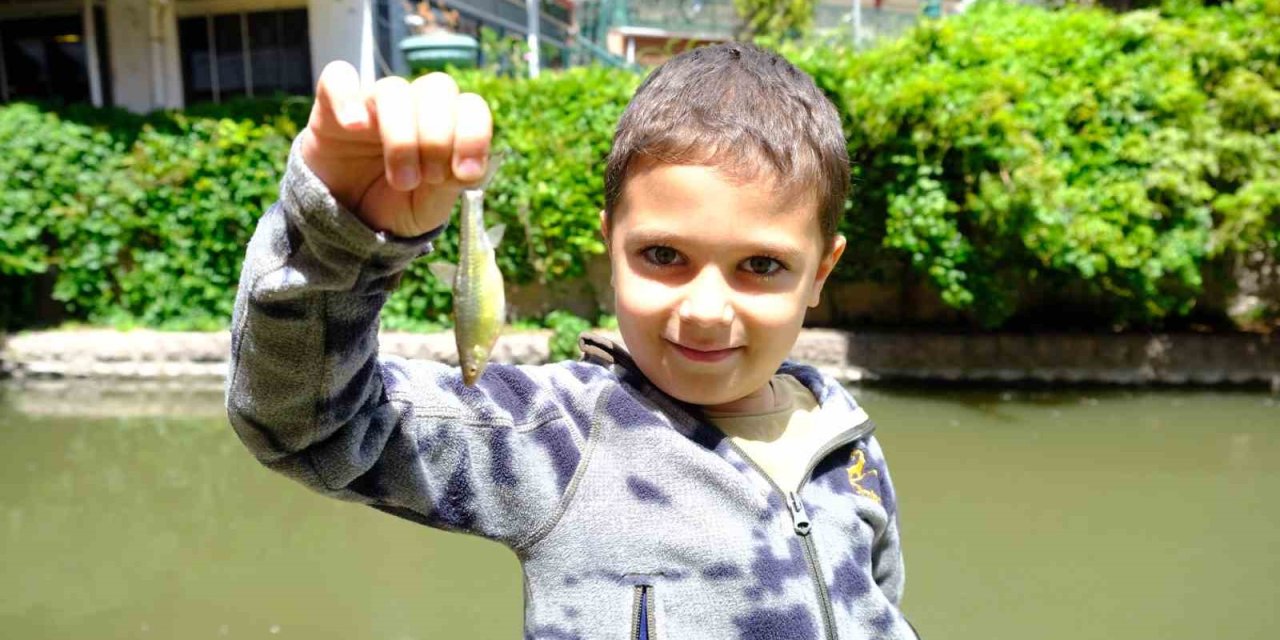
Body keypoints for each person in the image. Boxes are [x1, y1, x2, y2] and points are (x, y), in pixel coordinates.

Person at [227, 42, 916, 639]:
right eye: (664, 256)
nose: (706, 310)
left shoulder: (846, 441)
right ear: (609, 245)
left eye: (761, 266)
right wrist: (337, 235)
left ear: (820, 272)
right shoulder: (555, 437)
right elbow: (308, 427)